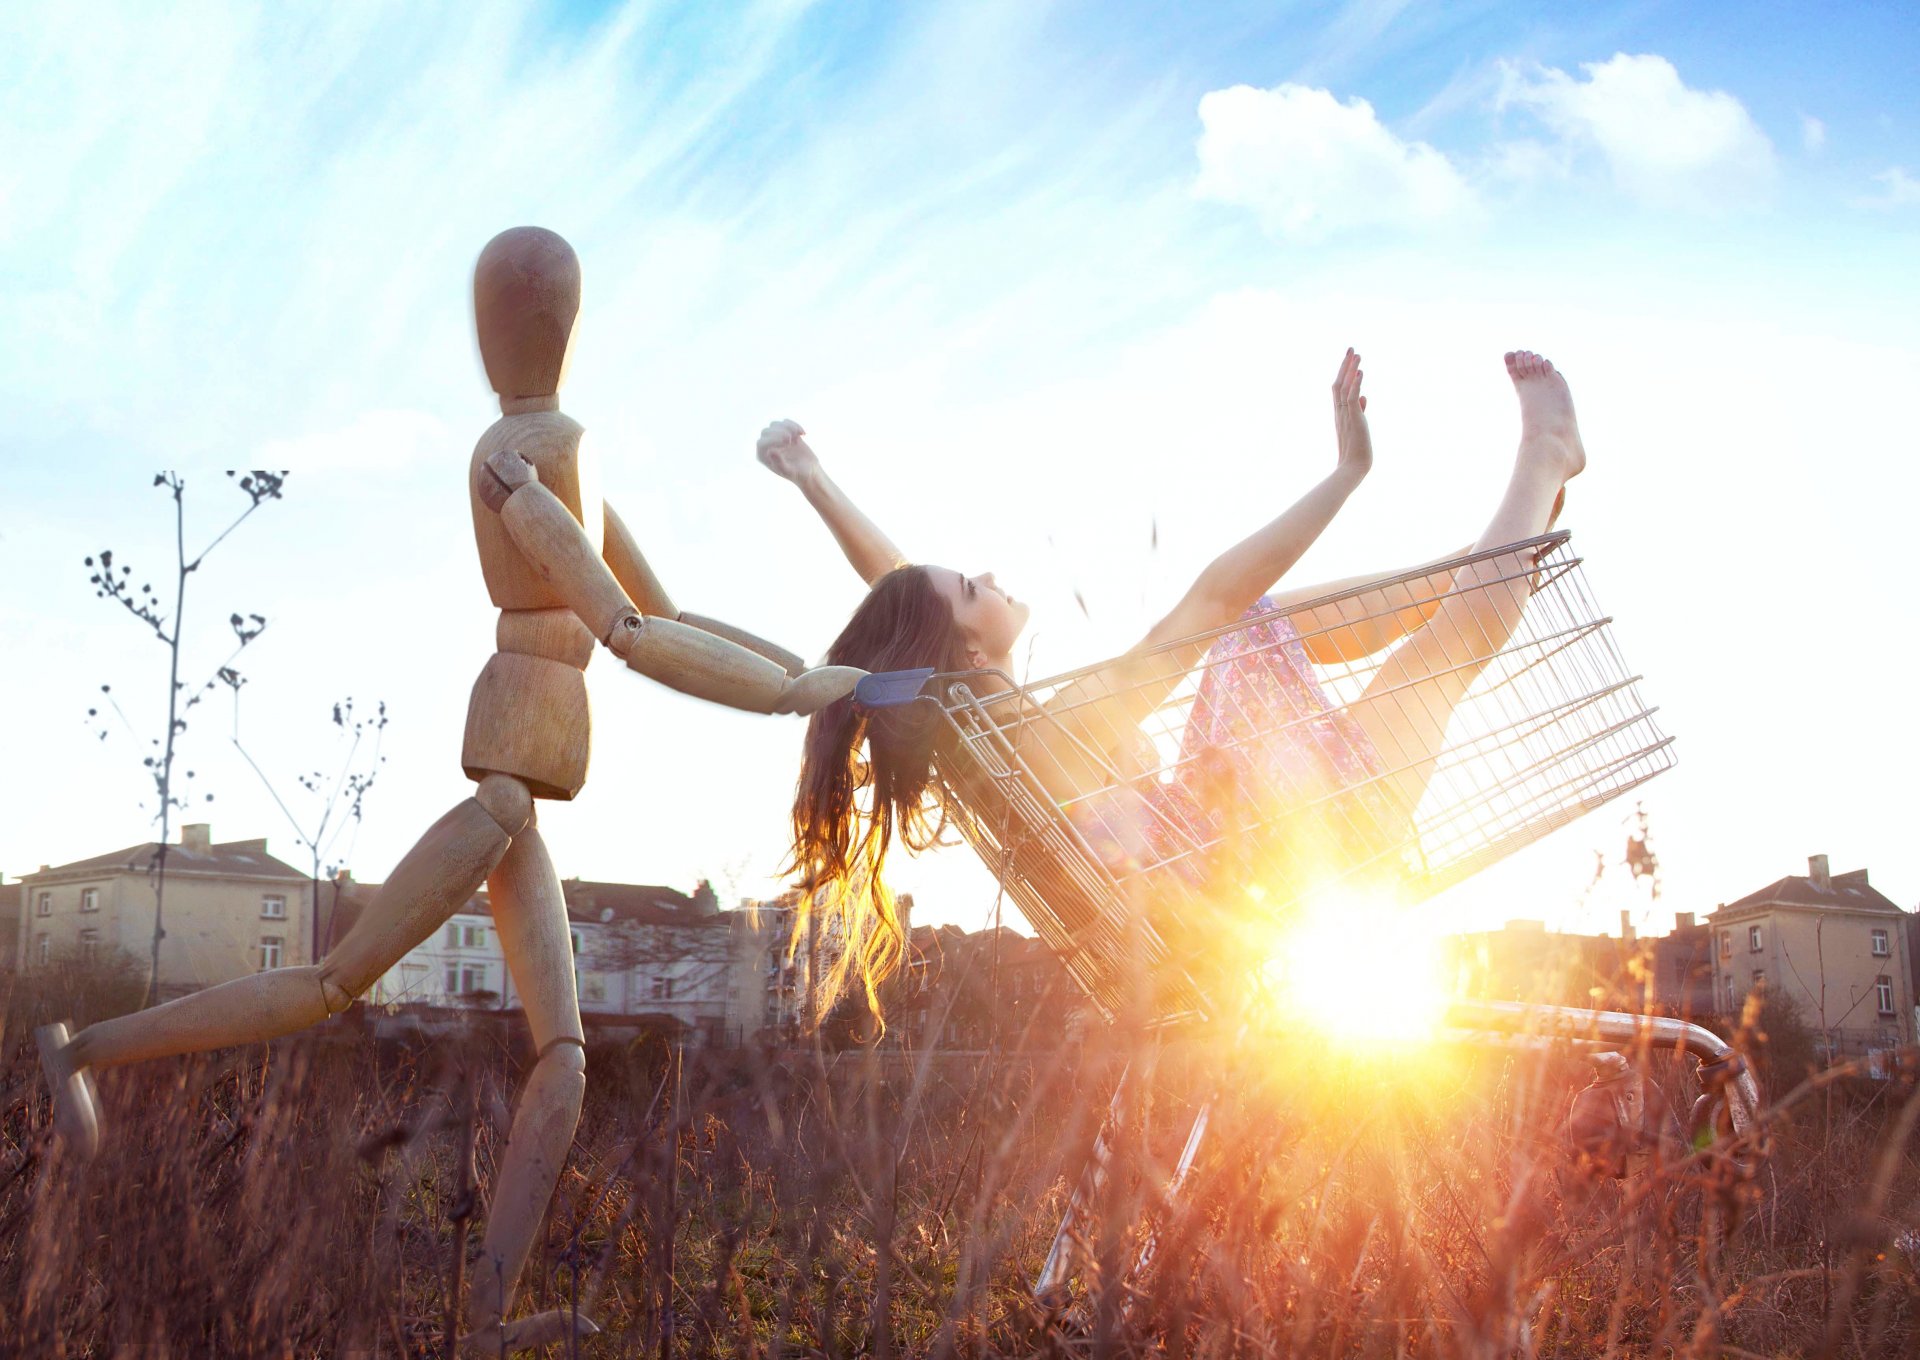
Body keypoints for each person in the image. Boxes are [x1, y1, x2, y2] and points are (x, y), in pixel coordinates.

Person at [758, 349, 1585, 1012]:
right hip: (1311, 844)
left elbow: (903, 604)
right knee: (1315, 635)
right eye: (974, 589)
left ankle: (1478, 558)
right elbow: (1214, 598)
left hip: (1269, 863)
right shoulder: (1059, 729)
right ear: (968, 652)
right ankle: (1541, 468)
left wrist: (815, 480)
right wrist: (1346, 473)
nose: (987, 573)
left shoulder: (988, 753)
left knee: (1392, 636)